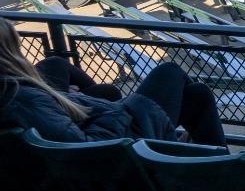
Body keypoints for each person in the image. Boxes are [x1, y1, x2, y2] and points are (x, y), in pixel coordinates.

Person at [0, 17, 228, 147]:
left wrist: (71, 99)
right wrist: (115, 111)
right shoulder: (21, 100)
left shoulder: (15, 93)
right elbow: (87, 148)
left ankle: (212, 160)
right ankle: (208, 160)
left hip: (97, 125)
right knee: (170, 72)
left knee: (198, 94)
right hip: (125, 143)